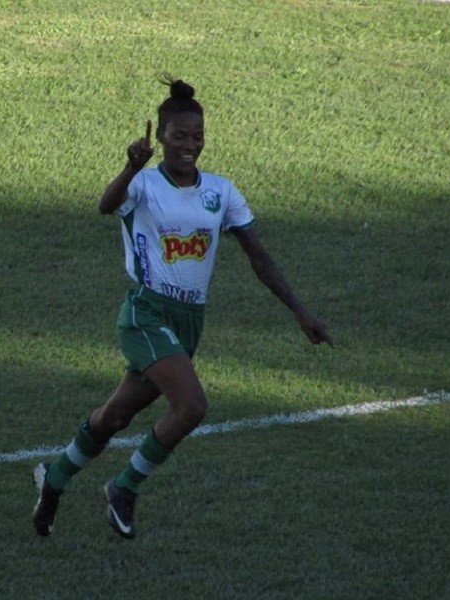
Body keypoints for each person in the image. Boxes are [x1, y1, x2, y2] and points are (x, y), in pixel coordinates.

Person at [31, 78, 333, 540]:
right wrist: (131, 167)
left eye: (197, 136)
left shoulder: (222, 192)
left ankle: (52, 481)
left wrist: (299, 311)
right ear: (163, 137)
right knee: (191, 407)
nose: (189, 145)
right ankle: (123, 487)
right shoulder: (146, 184)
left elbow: (259, 256)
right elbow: (105, 206)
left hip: (189, 323)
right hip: (146, 314)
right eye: (179, 136)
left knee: (114, 417)